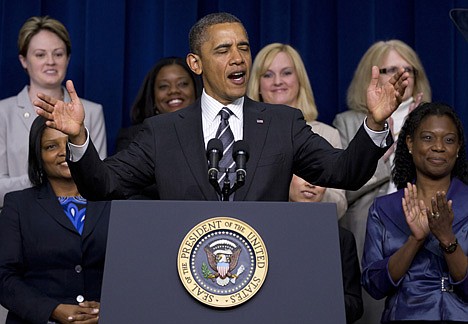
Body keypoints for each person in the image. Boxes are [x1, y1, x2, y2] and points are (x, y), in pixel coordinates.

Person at [33, 12, 409, 203]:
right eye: (223, 50)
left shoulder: (282, 123)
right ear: (195, 64)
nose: (238, 58)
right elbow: (103, 184)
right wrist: (79, 138)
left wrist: (375, 123)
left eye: (243, 47)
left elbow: (343, 172)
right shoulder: (163, 131)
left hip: (265, 276)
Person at [332, 39, 432, 324]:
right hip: (369, 230)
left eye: (407, 69)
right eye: (390, 69)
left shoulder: (433, 120)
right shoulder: (348, 122)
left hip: (422, 230)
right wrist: (388, 151)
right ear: (371, 75)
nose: (401, 75)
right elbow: (344, 188)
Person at [362, 102, 468, 323]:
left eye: (449, 140)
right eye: (428, 138)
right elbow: (373, 285)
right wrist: (415, 240)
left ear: (458, 148)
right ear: (410, 143)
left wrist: (448, 239)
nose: (438, 146)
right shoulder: (384, 209)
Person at [0, 116, 111, 323]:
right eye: (51, 146)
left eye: (70, 143)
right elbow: (4, 277)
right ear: (38, 157)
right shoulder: (18, 205)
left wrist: (111, 309)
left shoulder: (115, 201)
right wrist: (53, 310)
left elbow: (134, 269)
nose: (64, 152)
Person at [0, 16, 107, 210]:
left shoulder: (92, 112)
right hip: (17, 217)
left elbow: (98, 181)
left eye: (58, 54)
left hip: (78, 217)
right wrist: (44, 178)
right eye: (40, 55)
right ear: (24, 60)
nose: (50, 62)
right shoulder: (3, 113)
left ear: (68, 58)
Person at [248, 42, 347, 218]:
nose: (278, 81)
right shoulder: (246, 134)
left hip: (312, 232)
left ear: (299, 79)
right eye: (268, 75)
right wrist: (289, 187)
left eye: (286, 73)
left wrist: (316, 189)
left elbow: (340, 207)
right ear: (257, 84)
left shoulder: (327, 134)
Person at [115, 56, 202, 152]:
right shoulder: (133, 138)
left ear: (196, 90)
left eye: (183, 84)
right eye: (163, 86)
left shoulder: (212, 131)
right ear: (152, 96)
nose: (173, 90)